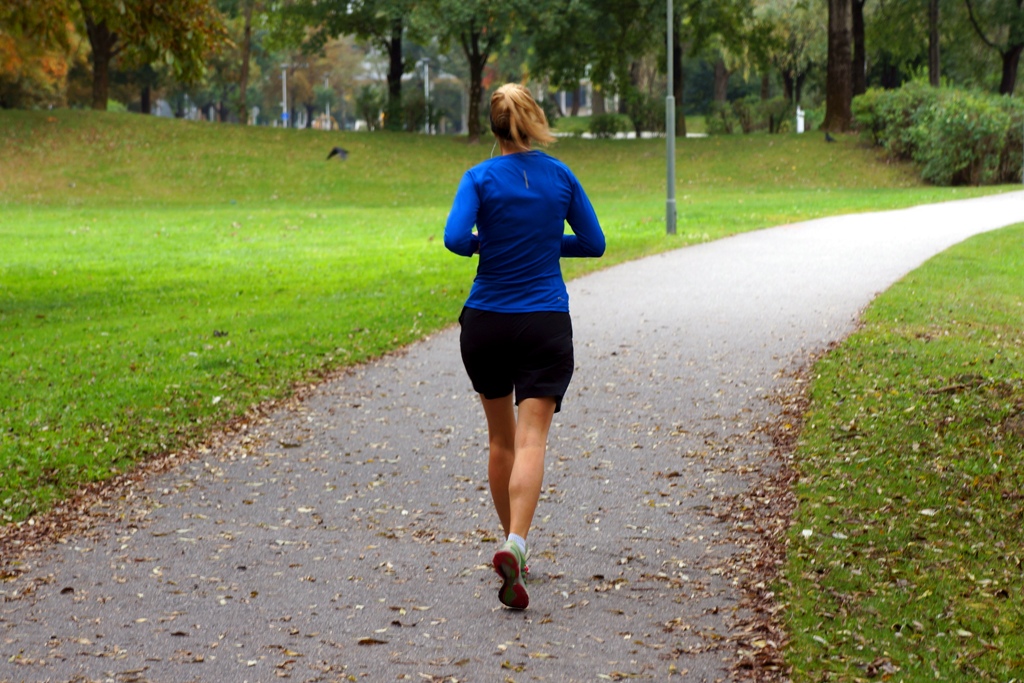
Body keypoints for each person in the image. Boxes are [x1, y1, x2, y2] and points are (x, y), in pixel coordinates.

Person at [443, 83, 606, 609]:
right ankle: (516, 543)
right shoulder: (561, 176)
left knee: (501, 442)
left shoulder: (478, 177)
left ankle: (514, 548)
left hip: (486, 322)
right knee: (532, 439)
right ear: (534, 119)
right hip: (544, 323)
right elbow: (594, 243)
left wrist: (486, 242)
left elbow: (453, 238)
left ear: (494, 127)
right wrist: (543, 242)